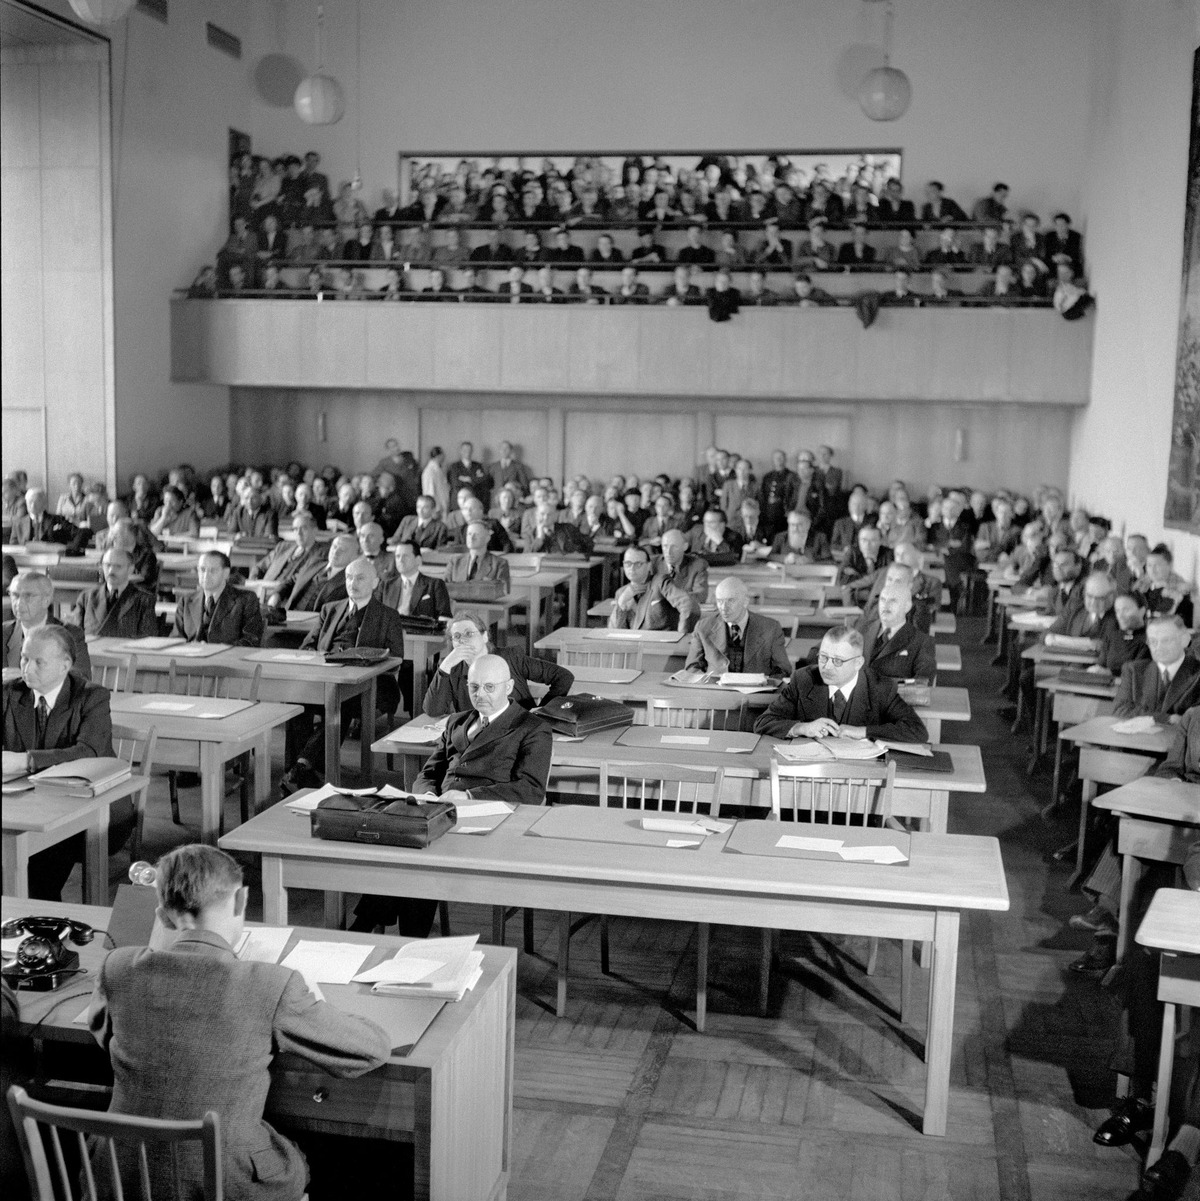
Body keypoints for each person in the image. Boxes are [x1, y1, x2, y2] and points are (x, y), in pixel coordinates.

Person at [86, 843, 390, 1201]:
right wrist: (316, 1004)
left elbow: (102, 1034)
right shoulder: (273, 984)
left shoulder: (117, 966)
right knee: (313, 1160)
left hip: (121, 1177)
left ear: (164, 917)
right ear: (242, 901)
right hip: (225, 1180)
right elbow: (372, 1050)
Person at [3, 625, 122, 900]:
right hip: (28, 806)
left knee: (37, 877)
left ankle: (43, 933)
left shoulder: (92, 697)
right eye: (23, 658)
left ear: (65, 665)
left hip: (88, 810)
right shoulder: (10, 693)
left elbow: (89, 752)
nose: (27, 668)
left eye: (38, 662)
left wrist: (26, 760)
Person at [281, 558, 405, 792]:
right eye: (349, 577)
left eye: (360, 578)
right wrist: (319, 657)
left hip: (374, 685)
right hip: (328, 678)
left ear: (375, 582)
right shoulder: (330, 609)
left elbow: (395, 659)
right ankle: (298, 768)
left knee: (343, 702)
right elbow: (308, 646)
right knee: (297, 701)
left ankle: (303, 765)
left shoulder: (388, 615)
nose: (352, 583)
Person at [754, 625, 928, 743]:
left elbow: (917, 730)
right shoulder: (803, 680)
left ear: (858, 663)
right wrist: (801, 728)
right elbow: (763, 722)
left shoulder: (880, 687)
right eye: (823, 657)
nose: (827, 666)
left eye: (838, 661)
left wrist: (863, 732)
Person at [423, 612, 572, 717]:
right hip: (476, 737)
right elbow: (433, 710)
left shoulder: (511, 658)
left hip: (517, 732)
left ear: (485, 636)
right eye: (456, 636)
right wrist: (445, 667)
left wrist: (543, 711)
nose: (463, 640)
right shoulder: (451, 668)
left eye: (469, 633)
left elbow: (563, 677)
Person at [684, 577, 791, 677]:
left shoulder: (771, 628)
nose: (724, 608)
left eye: (731, 601)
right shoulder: (703, 627)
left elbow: (783, 670)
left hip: (756, 694)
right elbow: (692, 668)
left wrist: (765, 684)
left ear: (745, 602)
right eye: (720, 601)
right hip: (716, 692)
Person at [5, 571, 92, 679]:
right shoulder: (5, 632)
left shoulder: (70, 634)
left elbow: (81, 679)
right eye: (15, 595)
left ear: (46, 600)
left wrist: (27, 678)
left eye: (28, 596)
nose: (19, 603)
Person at [1112, 616, 1200, 718]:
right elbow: (1120, 710)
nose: (1158, 648)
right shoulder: (1133, 670)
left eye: (1166, 640)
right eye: (1153, 642)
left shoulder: (1197, 673)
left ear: (1184, 640)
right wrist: (1167, 719)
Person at [173, 551, 263, 647]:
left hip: (227, 659)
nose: (206, 576)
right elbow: (175, 639)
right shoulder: (185, 601)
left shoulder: (246, 600)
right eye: (202, 570)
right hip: (190, 658)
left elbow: (251, 640)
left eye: (212, 571)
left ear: (226, 573)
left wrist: (214, 649)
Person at [858, 583, 937, 683]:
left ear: (907, 606)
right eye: (882, 600)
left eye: (893, 601)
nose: (885, 605)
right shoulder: (862, 630)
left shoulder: (922, 642)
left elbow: (922, 683)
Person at [609, 544, 699, 632]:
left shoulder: (660, 582)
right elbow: (616, 633)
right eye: (628, 563)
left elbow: (687, 603)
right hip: (635, 644)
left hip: (660, 643)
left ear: (649, 565)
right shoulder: (621, 593)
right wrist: (621, 604)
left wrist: (681, 634)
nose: (632, 568)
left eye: (638, 564)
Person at [73, 548, 158, 639]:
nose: (111, 571)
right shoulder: (86, 597)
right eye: (107, 565)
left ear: (130, 569)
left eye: (118, 566)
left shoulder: (144, 600)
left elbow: (147, 639)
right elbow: (74, 636)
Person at [281, 532, 357, 613]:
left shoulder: (350, 580)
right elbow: (292, 581)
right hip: (289, 614)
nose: (335, 552)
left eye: (342, 550)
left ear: (353, 557)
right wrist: (278, 595)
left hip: (316, 622)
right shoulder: (315, 563)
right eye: (334, 547)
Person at [379, 541, 453, 620]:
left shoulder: (435, 585)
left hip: (420, 630)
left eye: (405, 556)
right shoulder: (386, 585)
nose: (400, 560)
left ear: (418, 560)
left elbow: (444, 617)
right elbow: (374, 614)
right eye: (397, 556)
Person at [445, 521, 512, 591]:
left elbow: (503, 592)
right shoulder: (455, 561)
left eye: (476, 534)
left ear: (487, 538)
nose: (472, 537)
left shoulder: (500, 564)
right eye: (469, 534)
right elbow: (444, 588)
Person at [654, 528, 709, 608]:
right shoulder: (652, 564)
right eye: (665, 546)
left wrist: (665, 599)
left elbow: (700, 596)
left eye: (674, 547)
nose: (668, 552)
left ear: (685, 547)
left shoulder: (697, 565)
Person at [5, 488, 75, 546]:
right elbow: (13, 546)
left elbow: (74, 537)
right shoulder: (18, 523)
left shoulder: (58, 520)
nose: (32, 505)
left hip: (51, 558)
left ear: (44, 504)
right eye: (30, 502)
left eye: (36, 502)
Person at [830, 490, 874, 560]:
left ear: (865, 505)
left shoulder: (872, 521)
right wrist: (844, 548)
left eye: (860, 504)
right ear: (849, 505)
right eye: (854, 504)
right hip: (845, 560)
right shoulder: (840, 523)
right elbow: (833, 545)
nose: (856, 507)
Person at [420, 447, 451, 518]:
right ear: (439, 456)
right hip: (437, 508)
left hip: (443, 505)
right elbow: (429, 491)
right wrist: (434, 508)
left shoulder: (439, 469)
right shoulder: (429, 471)